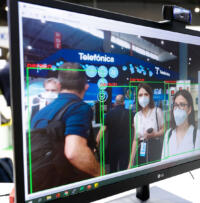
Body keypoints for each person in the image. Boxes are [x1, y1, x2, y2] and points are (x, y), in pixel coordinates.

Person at [30, 62, 100, 191]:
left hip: (38, 185)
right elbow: (74, 152)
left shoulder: (39, 114)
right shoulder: (79, 108)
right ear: (86, 87)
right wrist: (100, 174)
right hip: (66, 186)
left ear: (59, 85)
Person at [128, 83, 164, 168]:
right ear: (137, 98)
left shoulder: (157, 111)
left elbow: (164, 128)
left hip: (155, 148)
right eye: (140, 95)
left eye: (145, 94)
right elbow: (135, 140)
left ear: (150, 96)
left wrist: (155, 134)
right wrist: (130, 163)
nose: (143, 97)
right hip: (142, 150)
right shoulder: (137, 116)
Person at [162, 90, 200, 159]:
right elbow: (162, 162)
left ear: (189, 109)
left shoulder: (196, 134)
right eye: (175, 105)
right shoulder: (168, 134)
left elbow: (199, 163)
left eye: (182, 105)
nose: (177, 108)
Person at [96, 94, 131, 172]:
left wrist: (96, 145)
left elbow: (102, 130)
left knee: (113, 167)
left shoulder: (109, 114)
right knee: (124, 168)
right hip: (125, 145)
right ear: (124, 102)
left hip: (112, 145)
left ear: (115, 103)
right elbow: (135, 127)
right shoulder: (130, 113)